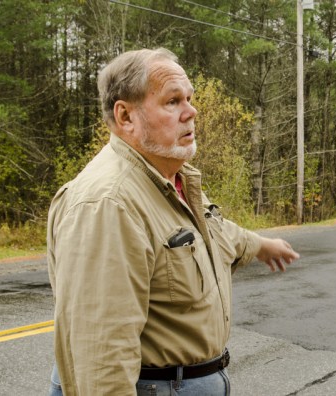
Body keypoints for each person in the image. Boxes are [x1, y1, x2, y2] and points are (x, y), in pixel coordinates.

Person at [47, 47, 299, 396]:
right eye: (172, 101)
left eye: (190, 99)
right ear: (126, 117)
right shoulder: (108, 203)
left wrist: (260, 245)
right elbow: (101, 356)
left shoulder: (171, 180)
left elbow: (216, 232)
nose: (191, 111)